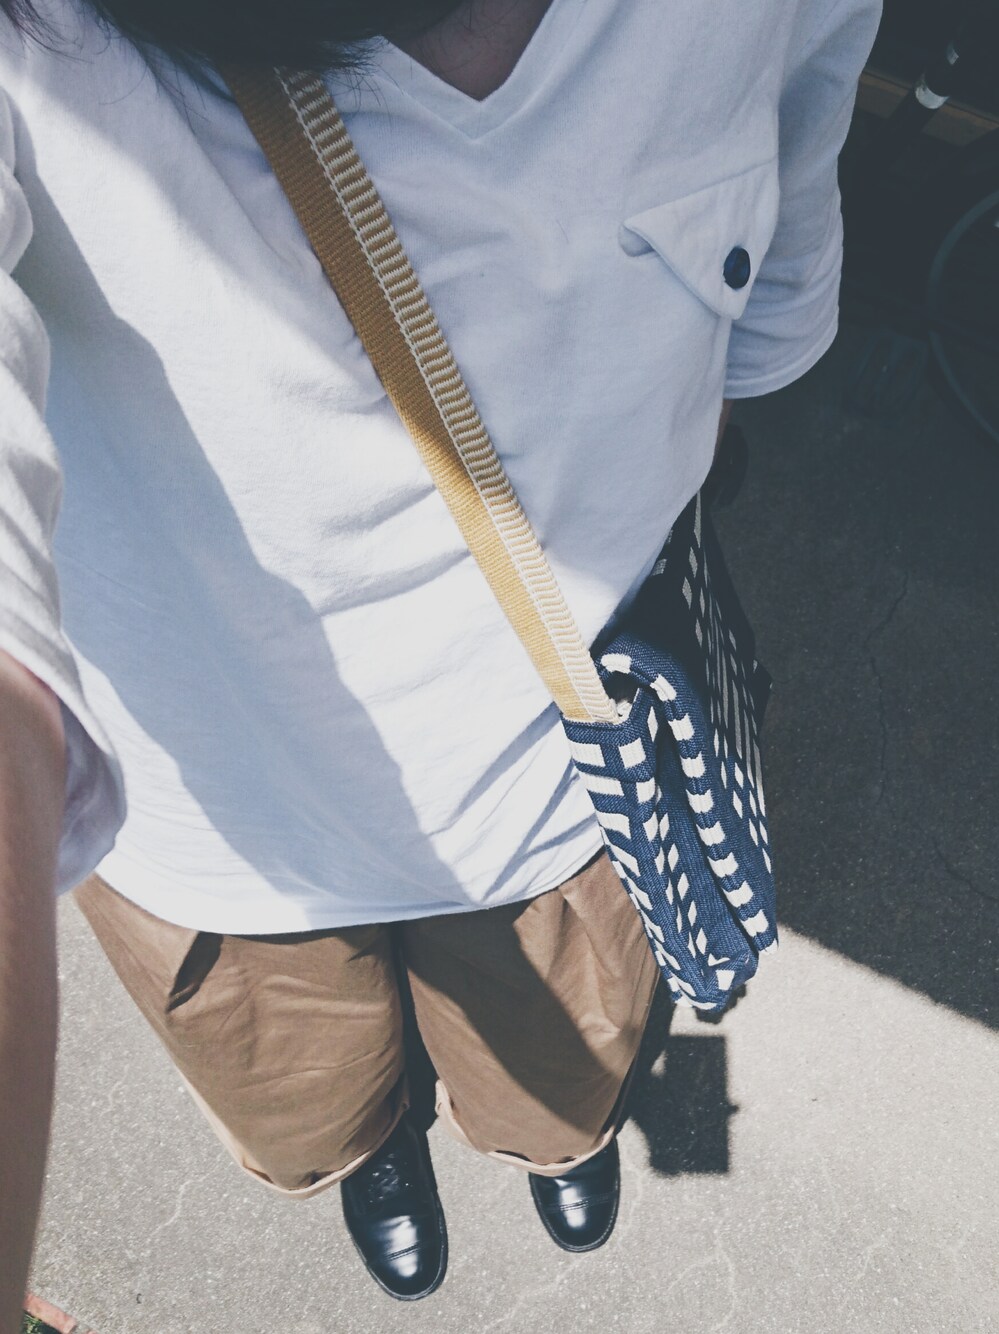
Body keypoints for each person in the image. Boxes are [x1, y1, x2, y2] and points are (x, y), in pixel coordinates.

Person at [0, 0, 881, 1316]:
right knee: (313, 1101)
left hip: (553, 783)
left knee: (557, 1083)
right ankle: (379, 1147)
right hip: (225, 829)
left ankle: (544, 1141)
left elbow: (779, 242)